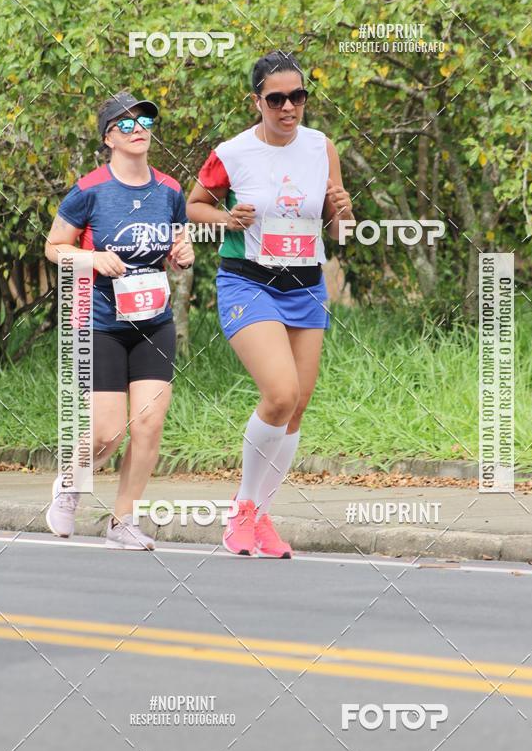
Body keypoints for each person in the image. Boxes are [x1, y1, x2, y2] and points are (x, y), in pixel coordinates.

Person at [186, 51, 353, 558]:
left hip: (305, 285)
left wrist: (344, 213)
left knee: (298, 405)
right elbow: (194, 205)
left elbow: (338, 230)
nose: (288, 108)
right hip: (249, 282)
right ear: (256, 101)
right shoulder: (232, 153)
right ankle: (241, 506)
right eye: (276, 99)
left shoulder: (321, 147)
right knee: (280, 394)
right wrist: (226, 220)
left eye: (297, 97)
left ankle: (261, 515)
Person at [44, 91, 194, 550]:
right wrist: (91, 258)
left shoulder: (169, 190)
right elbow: (53, 247)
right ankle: (70, 484)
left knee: (149, 424)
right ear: (108, 137)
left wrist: (183, 254)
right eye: (125, 124)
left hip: (153, 320)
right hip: (100, 322)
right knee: (107, 433)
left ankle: (123, 521)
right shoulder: (89, 190)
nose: (138, 130)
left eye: (144, 121)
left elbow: (177, 244)